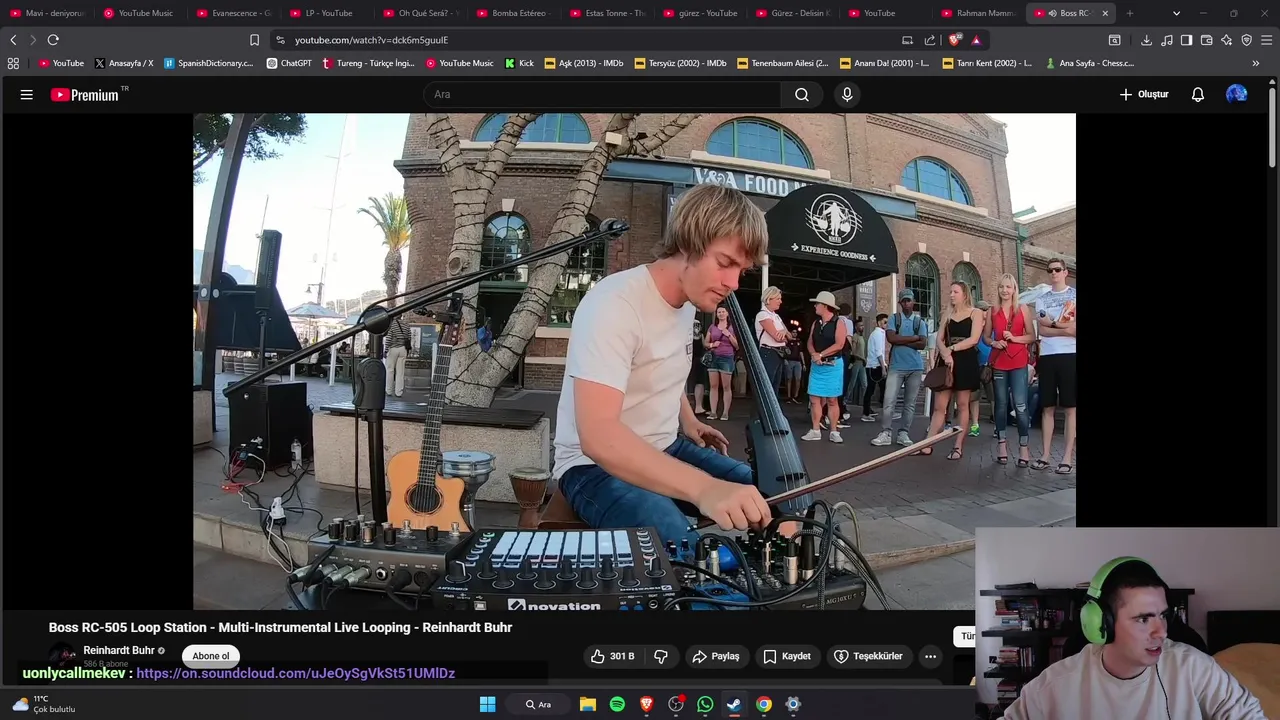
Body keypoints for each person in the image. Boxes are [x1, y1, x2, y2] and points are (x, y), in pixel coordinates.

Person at [552, 184, 782, 548]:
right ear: (688, 243)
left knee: (771, 495)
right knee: (680, 547)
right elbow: (598, 437)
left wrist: (689, 421)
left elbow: (662, 368)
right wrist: (705, 489)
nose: (733, 283)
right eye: (725, 263)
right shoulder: (614, 304)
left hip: (664, 445)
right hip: (590, 466)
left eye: (742, 270)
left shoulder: (688, 301)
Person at [1003, 558, 1265, 720]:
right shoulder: (1055, 686)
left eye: (1163, 616)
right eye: (1143, 619)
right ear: (1101, 625)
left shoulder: (1193, 667)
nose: (1161, 632)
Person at [916, 282, 984, 460]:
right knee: (939, 406)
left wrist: (951, 349)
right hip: (947, 361)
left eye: (956, 291)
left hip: (965, 360)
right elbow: (939, 339)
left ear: (964, 294)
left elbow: (974, 339)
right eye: (951, 291)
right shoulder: (947, 314)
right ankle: (927, 444)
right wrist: (946, 353)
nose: (952, 294)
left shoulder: (975, 313)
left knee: (962, 404)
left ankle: (958, 446)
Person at [1032, 259, 1077, 474]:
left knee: (1070, 407)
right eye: (1050, 270)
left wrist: (1053, 323)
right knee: (1047, 406)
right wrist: (1063, 327)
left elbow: (1074, 330)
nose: (1053, 273)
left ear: (1065, 272)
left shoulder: (1074, 296)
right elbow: (1043, 331)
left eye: (1057, 270)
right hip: (1048, 355)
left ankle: (1067, 457)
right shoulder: (1042, 298)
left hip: (1070, 355)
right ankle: (1045, 455)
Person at [871, 289, 929, 447]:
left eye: (909, 300)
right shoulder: (894, 318)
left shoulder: (919, 321)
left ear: (913, 302)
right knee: (889, 401)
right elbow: (891, 338)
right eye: (904, 301)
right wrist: (913, 338)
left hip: (915, 367)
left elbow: (923, 344)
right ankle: (886, 432)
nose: (906, 303)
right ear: (900, 303)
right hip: (896, 367)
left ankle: (904, 433)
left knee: (909, 403)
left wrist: (901, 340)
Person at [989, 274, 1035, 467]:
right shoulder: (992, 311)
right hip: (999, 362)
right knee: (1000, 404)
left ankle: (1024, 447)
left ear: (1014, 289)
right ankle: (1002, 445)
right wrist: (994, 342)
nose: (1004, 290)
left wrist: (1014, 338)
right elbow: (986, 337)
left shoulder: (1023, 309)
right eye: (1001, 287)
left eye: (1008, 287)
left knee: (1021, 405)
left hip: (1018, 361)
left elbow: (1031, 336)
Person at [801, 291, 848, 444]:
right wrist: (814, 354)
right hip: (818, 365)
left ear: (825, 306)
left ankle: (834, 431)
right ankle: (815, 430)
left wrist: (820, 354)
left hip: (833, 365)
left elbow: (839, 344)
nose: (815, 306)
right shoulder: (816, 323)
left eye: (817, 303)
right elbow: (810, 342)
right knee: (814, 398)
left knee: (832, 399)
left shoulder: (839, 322)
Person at [754, 285, 792, 399]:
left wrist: (783, 332)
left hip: (778, 354)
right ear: (769, 299)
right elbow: (778, 338)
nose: (780, 301)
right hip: (769, 352)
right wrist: (784, 333)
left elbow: (789, 336)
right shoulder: (763, 315)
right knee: (767, 386)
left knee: (775, 386)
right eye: (778, 299)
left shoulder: (776, 316)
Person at [704, 306, 739, 420]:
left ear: (727, 313)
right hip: (714, 357)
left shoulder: (732, 327)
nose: (721, 314)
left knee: (726, 386)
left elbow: (737, 345)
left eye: (723, 311)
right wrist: (712, 345)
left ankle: (725, 413)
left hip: (726, 357)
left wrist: (728, 335)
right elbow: (705, 343)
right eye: (719, 312)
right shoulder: (712, 327)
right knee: (713, 386)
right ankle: (713, 412)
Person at [862, 313, 888, 422]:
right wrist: (883, 367)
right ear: (879, 322)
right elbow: (878, 352)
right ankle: (866, 413)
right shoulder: (878, 334)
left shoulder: (879, 333)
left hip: (875, 365)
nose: (886, 324)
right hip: (875, 366)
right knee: (873, 389)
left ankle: (868, 411)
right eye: (884, 322)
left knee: (879, 388)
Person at [384, 317, 411, 397]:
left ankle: (388, 391)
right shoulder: (406, 324)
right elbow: (409, 337)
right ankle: (399, 392)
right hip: (403, 349)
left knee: (390, 370)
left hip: (393, 349)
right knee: (400, 372)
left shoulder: (392, 324)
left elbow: (389, 338)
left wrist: (386, 350)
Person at [687, 318, 709, 415]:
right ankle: (696, 407)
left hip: (695, 359)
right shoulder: (689, 334)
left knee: (699, 382)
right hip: (692, 359)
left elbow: (704, 344)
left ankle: (698, 407)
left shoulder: (700, 335)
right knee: (697, 382)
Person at [782, 326, 806, 404]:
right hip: (789, 361)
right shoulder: (787, 341)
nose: (795, 334)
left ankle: (796, 396)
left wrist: (803, 363)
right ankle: (788, 396)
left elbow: (801, 352)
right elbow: (783, 350)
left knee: (798, 379)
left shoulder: (799, 342)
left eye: (796, 332)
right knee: (789, 379)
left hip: (798, 362)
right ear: (790, 333)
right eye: (793, 332)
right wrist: (784, 359)